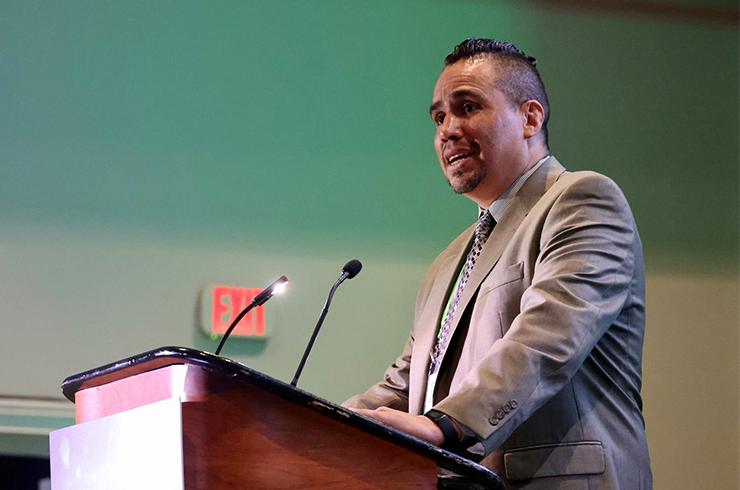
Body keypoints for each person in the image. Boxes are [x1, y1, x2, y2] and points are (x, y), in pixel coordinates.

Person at [343, 39, 652, 489]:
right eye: (439, 117)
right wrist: (317, 423)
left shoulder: (582, 201)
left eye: (467, 107)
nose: (447, 129)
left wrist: (445, 425)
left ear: (530, 118)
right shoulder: (447, 262)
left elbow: (544, 342)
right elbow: (405, 385)